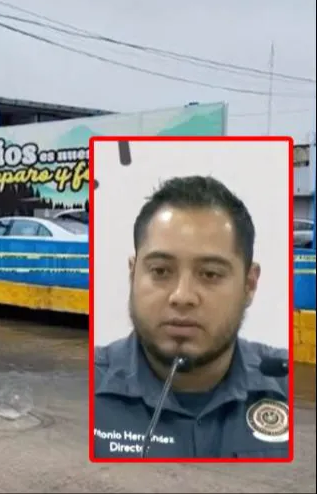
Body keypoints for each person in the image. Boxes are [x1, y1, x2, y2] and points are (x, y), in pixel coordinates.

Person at [93, 175, 290, 459]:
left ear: (249, 285)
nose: (182, 296)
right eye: (161, 271)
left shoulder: (286, 387)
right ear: (133, 273)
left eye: (210, 274)